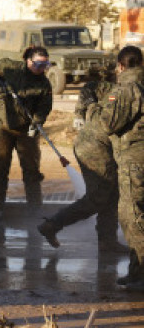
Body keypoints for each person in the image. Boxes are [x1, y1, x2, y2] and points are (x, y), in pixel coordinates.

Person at [36, 79, 128, 253]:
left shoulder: (129, 88)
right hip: (94, 146)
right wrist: (79, 112)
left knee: (112, 194)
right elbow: (89, 86)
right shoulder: (127, 88)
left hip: (105, 145)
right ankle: (52, 225)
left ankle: (107, 241)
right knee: (98, 198)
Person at [85, 46, 144, 290]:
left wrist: (93, 109)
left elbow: (108, 124)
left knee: (132, 220)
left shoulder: (126, 89)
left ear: (120, 66)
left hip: (134, 162)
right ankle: (135, 272)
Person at [0, 46, 53, 221]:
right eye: (38, 64)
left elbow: (44, 108)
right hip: (3, 128)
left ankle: (35, 211)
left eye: (45, 64)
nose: (42, 68)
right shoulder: (10, 68)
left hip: (26, 131)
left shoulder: (44, 84)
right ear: (28, 61)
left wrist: (36, 122)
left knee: (32, 172)